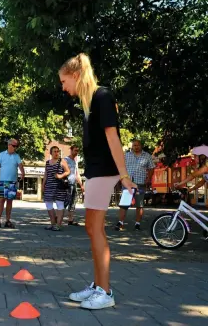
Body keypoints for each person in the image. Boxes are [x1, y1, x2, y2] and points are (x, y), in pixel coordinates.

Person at [59, 53, 136, 309]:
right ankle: (97, 285)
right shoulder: (88, 101)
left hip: (104, 170)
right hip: (95, 170)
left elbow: (113, 137)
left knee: (96, 229)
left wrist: (124, 175)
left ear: (76, 75)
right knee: (91, 229)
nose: (63, 86)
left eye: (64, 80)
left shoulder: (102, 96)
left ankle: (105, 292)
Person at [115, 139, 155, 231]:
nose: (136, 147)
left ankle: (137, 224)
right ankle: (120, 223)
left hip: (140, 183)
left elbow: (152, 168)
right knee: (124, 204)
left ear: (141, 146)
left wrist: (149, 178)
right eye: (134, 145)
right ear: (132, 147)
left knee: (139, 204)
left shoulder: (147, 156)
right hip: (128, 183)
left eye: (138, 145)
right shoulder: (127, 155)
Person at [0, 139, 25, 228]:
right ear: (9, 145)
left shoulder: (16, 156)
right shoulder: (2, 154)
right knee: (1, 200)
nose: (15, 148)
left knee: (10, 201)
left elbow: (20, 165)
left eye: (16, 146)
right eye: (14, 146)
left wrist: (23, 173)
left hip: (12, 182)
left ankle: (7, 221)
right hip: (3, 181)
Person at [43, 146, 71, 231]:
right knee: (48, 204)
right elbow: (46, 174)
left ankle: (58, 225)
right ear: (51, 153)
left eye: (57, 151)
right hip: (49, 186)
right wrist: (43, 185)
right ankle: (52, 223)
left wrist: (60, 175)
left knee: (60, 204)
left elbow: (68, 171)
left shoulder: (62, 161)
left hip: (59, 186)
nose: (56, 153)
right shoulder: (47, 163)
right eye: (54, 151)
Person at [64, 145, 84, 226]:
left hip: (74, 183)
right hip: (67, 184)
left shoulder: (75, 161)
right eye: (75, 150)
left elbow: (77, 174)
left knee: (73, 202)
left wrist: (81, 185)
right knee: (66, 201)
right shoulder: (65, 160)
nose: (76, 152)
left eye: (77, 151)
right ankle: (57, 217)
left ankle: (70, 220)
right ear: (71, 150)